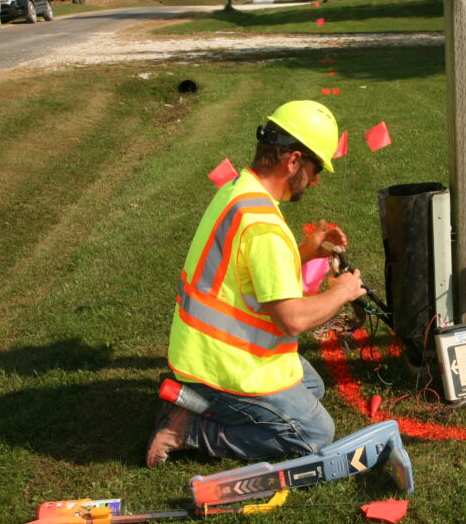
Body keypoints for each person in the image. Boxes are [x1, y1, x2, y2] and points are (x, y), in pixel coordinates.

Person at [146, 100, 366, 467]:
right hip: (226, 366)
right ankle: (189, 429)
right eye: (314, 168)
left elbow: (252, 271)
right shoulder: (264, 225)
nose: (315, 180)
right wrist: (342, 292)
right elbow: (291, 319)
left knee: (313, 387)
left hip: (206, 353)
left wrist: (306, 251)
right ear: (293, 161)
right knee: (314, 433)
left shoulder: (239, 191)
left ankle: (193, 401)